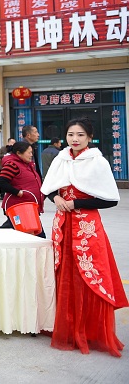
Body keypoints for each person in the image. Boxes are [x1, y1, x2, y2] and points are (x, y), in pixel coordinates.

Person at [40, 118, 127, 357]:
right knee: (64, 274)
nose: (75, 139)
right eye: (71, 134)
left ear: (89, 137)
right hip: (62, 224)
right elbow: (49, 189)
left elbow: (110, 200)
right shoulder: (61, 158)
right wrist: (56, 198)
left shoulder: (97, 162)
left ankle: (89, 331)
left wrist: (76, 203)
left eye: (80, 135)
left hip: (86, 227)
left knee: (89, 274)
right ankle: (67, 327)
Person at [0, 141, 45, 237]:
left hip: (29, 206)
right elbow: (1, 182)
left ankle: (2, 232)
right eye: (29, 152)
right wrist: (18, 192)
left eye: (32, 152)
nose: (31, 155)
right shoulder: (12, 165)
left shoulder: (27, 164)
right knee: (36, 236)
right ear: (19, 153)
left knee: (28, 234)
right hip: (20, 207)